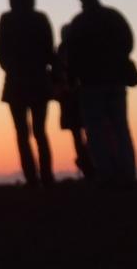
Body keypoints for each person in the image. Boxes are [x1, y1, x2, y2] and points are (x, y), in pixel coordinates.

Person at [64, 0, 137, 186]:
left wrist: (73, 77)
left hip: (91, 84)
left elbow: (72, 55)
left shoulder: (79, 23)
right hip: (115, 80)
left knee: (96, 131)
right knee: (120, 127)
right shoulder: (113, 17)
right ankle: (127, 173)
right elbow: (128, 43)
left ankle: (106, 174)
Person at [0, 0, 56, 186]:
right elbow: (50, 50)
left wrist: (10, 67)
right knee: (40, 131)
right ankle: (46, 175)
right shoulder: (40, 19)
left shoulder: (7, 20)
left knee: (22, 133)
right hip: (38, 80)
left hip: (16, 82)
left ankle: (32, 176)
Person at [53, 22, 93, 180]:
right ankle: (89, 163)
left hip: (68, 99)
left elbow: (56, 76)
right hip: (82, 97)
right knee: (90, 132)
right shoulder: (82, 51)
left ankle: (86, 164)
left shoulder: (59, 53)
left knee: (77, 135)